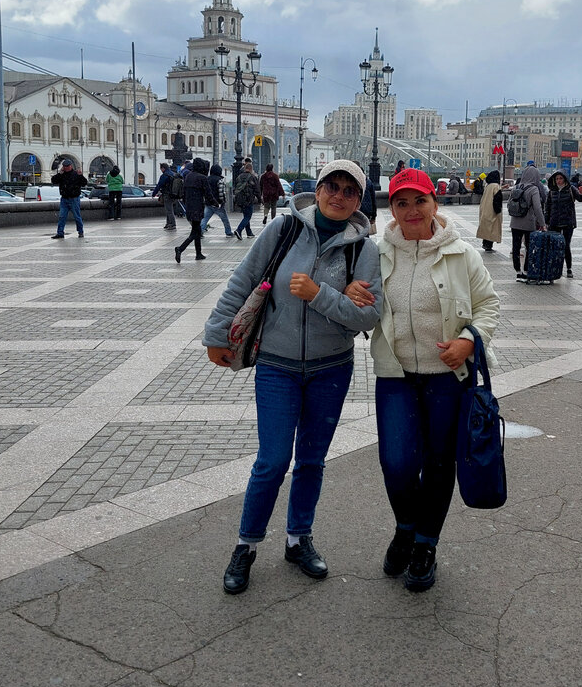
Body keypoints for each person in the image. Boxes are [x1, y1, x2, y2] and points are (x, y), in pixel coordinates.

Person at [203, 160, 381, 595]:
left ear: (359, 200)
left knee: (312, 461)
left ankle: (298, 538)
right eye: (331, 187)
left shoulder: (364, 249)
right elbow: (241, 281)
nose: (338, 196)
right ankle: (245, 545)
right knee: (273, 460)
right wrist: (216, 334)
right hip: (277, 365)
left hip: (331, 368)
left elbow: (369, 315)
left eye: (349, 191)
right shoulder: (282, 231)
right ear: (317, 190)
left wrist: (321, 295)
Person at [346, 167, 498, 592]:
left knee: (437, 462)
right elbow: (358, 298)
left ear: (435, 202)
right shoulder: (376, 252)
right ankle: (405, 527)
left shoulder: (461, 254)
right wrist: (352, 293)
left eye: (420, 201)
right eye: (401, 202)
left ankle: (424, 544)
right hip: (395, 375)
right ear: (390, 208)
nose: (412, 210)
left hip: (448, 378)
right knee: (396, 462)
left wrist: (470, 340)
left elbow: (489, 305)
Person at [543, 170, 582, 278]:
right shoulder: (552, 191)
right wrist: (546, 222)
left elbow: (581, 198)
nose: (558, 181)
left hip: (567, 222)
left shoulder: (570, 189)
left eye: (560, 178)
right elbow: (547, 207)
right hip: (554, 223)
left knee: (566, 245)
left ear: (565, 179)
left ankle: (569, 268)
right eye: (557, 179)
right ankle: (555, 268)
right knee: (554, 246)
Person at [173, 158, 217, 262]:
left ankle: (198, 253)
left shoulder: (188, 176)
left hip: (189, 207)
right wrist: (215, 203)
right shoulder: (202, 178)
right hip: (197, 207)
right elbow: (208, 194)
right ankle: (180, 249)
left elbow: (184, 193)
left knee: (197, 231)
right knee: (195, 232)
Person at [508, 164, 547, 281]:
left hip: (515, 222)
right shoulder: (533, 189)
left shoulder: (516, 187)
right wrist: (543, 223)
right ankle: (526, 271)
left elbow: (509, 204)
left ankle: (518, 272)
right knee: (529, 247)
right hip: (528, 222)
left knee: (516, 247)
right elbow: (537, 208)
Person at [50, 159, 88, 239]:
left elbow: (84, 183)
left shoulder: (76, 174)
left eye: (67, 166)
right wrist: (59, 174)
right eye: (64, 166)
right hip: (64, 198)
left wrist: (81, 175)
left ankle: (80, 232)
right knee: (61, 216)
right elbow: (53, 181)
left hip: (74, 198)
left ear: (70, 166)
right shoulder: (62, 175)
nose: (65, 168)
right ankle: (60, 233)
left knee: (77, 216)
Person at [201, 163, 235, 237]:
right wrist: (222, 201)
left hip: (208, 202)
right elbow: (221, 192)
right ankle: (228, 232)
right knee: (224, 219)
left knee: (205, 218)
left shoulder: (207, 179)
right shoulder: (219, 180)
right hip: (218, 204)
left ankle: (200, 232)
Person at [476, 170, 503, 253]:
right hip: (492, 211)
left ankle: (485, 244)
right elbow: (497, 199)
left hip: (485, 210)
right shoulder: (496, 186)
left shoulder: (488, 186)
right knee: (492, 229)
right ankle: (489, 245)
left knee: (486, 228)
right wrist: (498, 210)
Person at [232, 162, 259, 239]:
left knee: (246, 216)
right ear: (251, 169)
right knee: (248, 216)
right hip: (248, 199)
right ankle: (239, 230)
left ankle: (249, 233)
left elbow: (235, 187)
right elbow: (256, 190)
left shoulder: (239, 177)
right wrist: (260, 199)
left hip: (240, 200)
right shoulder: (252, 177)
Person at [152, 162, 177, 230]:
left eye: (161, 168)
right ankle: (168, 223)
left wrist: (154, 193)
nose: (160, 170)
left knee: (169, 210)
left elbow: (159, 185)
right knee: (169, 209)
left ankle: (172, 224)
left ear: (163, 168)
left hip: (167, 194)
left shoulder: (164, 175)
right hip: (173, 194)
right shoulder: (173, 174)